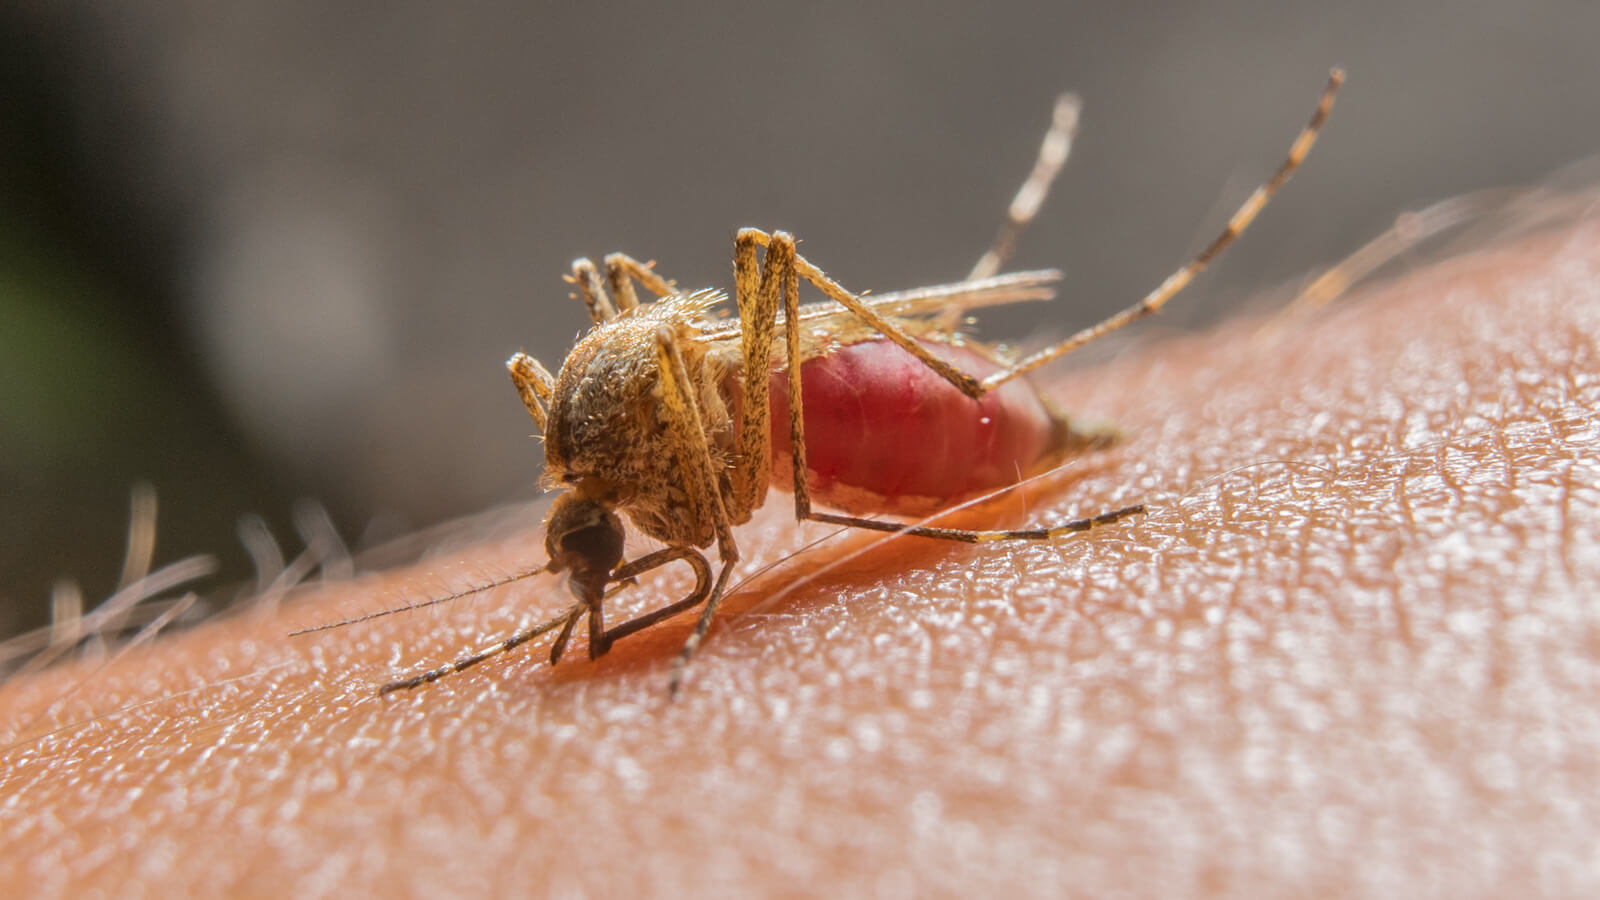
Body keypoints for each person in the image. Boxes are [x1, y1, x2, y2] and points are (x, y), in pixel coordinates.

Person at [2, 202, 1597, 896]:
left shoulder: (624, 452)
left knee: (756, 281)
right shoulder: (592, 457)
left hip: (847, 415)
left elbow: (689, 420)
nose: (593, 587)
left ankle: (1003, 405)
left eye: (595, 570)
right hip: (757, 414)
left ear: (597, 523)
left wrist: (697, 588)